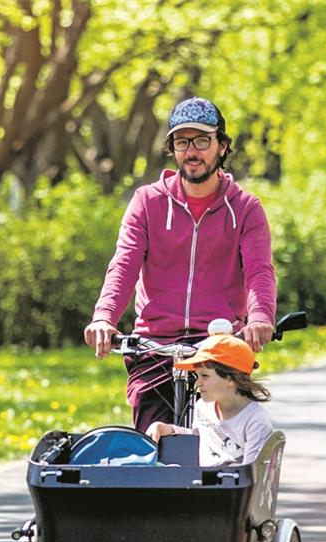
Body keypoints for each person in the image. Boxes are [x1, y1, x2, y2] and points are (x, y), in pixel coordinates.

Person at [83, 96, 277, 432]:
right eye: (182, 142)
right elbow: (124, 263)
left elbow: (260, 271)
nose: (192, 151)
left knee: (223, 445)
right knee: (153, 443)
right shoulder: (148, 202)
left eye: (203, 140)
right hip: (154, 345)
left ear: (222, 147)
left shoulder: (245, 208)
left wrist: (260, 318)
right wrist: (104, 317)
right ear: (172, 149)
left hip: (217, 343)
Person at [146, 334, 273, 466]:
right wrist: (168, 429)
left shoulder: (255, 420)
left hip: (233, 484)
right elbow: (199, 436)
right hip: (203, 483)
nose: (198, 383)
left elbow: (252, 475)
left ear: (230, 379)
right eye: (197, 375)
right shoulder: (203, 407)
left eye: (205, 376)